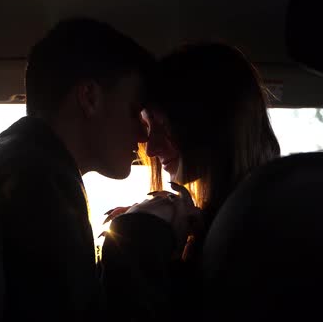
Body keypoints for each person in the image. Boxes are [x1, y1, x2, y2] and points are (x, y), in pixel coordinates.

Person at [0, 17, 155, 321]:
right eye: (135, 112)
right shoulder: (41, 189)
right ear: (90, 97)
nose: (144, 136)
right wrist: (142, 236)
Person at [101, 42, 281, 321]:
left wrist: (135, 237)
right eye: (150, 128)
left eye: (165, 126)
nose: (150, 148)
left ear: (212, 124)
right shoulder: (235, 215)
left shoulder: (255, 235)